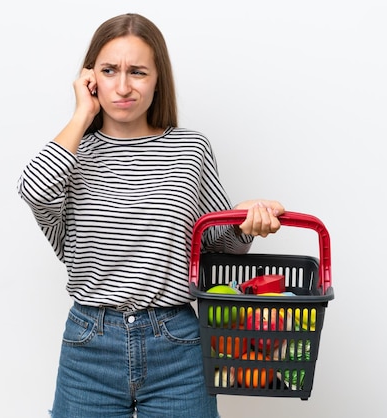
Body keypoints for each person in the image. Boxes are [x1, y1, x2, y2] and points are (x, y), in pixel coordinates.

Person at [17, 13, 284, 418]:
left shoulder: (190, 151)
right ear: (90, 79)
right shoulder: (73, 155)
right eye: (109, 71)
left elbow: (216, 249)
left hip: (177, 345)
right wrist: (80, 116)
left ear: (158, 78)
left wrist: (246, 226)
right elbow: (34, 191)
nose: (123, 86)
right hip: (89, 346)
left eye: (138, 72)